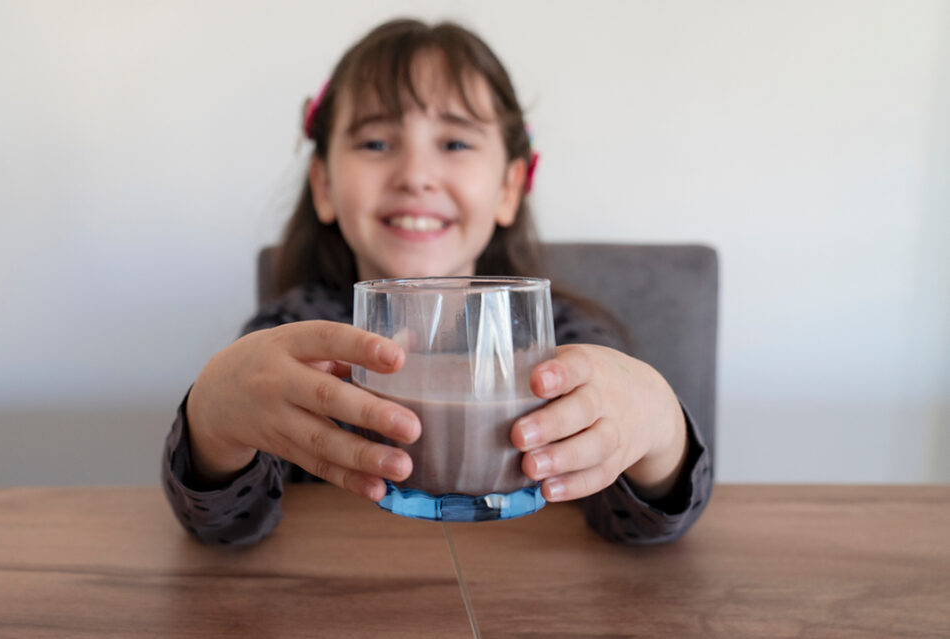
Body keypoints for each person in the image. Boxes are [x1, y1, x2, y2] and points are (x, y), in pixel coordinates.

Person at [162, 18, 711, 546]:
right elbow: (225, 529)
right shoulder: (293, 338)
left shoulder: (564, 345)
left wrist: (659, 429)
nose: (416, 175)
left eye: (454, 143)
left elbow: (642, 528)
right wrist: (211, 422)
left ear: (509, 188)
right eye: (376, 143)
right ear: (324, 185)